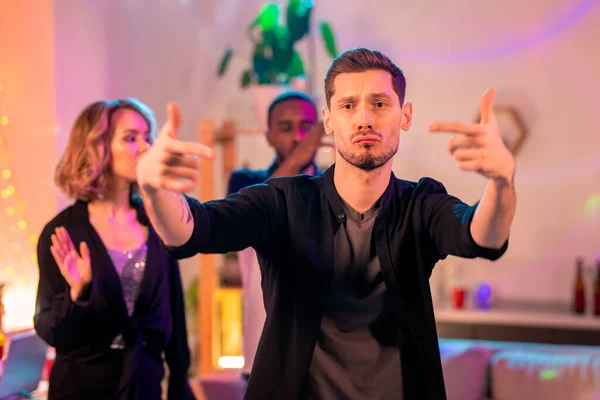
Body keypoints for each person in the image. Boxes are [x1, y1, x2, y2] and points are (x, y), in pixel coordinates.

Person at [136, 47, 516, 400]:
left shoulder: (420, 204)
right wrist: (154, 191)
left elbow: (479, 235)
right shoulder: (283, 200)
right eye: (348, 105)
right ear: (328, 120)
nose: (365, 118)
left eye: (380, 103)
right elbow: (196, 228)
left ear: (406, 115)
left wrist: (501, 183)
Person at [33, 98, 195, 400]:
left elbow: (174, 311)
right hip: (81, 390)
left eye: (147, 137)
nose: (145, 147)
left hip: (145, 387)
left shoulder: (157, 223)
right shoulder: (63, 232)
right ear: (96, 147)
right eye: (131, 138)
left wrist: (179, 381)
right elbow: (50, 330)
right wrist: (77, 294)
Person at [227, 91, 325, 378]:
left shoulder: (335, 185)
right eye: (285, 127)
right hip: (262, 349)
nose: (298, 136)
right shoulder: (246, 182)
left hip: (324, 353)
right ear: (268, 135)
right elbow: (252, 213)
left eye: (307, 127)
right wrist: (300, 158)